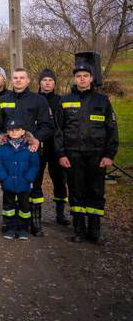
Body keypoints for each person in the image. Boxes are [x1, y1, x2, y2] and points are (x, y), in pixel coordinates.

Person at [56, 64, 118, 244]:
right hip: (72, 154)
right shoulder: (65, 100)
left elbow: (112, 129)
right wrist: (61, 154)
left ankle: (95, 231)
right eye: (78, 76)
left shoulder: (102, 100)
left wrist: (109, 154)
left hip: (97, 156)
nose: (82, 78)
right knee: (75, 190)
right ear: (75, 79)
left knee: (96, 191)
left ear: (91, 78)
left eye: (85, 75)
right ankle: (79, 230)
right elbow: (58, 130)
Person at [0, 68, 53, 237]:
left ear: (28, 80)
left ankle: (34, 222)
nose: (18, 80)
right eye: (15, 78)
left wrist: (36, 140)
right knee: (9, 188)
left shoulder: (38, 100)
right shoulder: (3, 100)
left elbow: (46, 125)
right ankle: (9, 224)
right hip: (8, 152)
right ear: (11, 80)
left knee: (33, 186)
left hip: (30, 152)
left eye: (22, 78)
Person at [0, 119, 39, 240]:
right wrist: (3, 178)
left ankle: (24, 229)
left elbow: (34, 165)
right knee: (8, 208)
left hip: (24, 184)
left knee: (24, 208)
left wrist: (28, 178)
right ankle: (10, 228)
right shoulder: (2, 148)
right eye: (11, 130)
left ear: (23, 132)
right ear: (7, 132)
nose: (14, 132)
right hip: (8, 183)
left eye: (17, 130)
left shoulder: (30, 148)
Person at [37, 68, 69, 226]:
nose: (47, 83)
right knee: (35, 179)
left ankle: (60, 212)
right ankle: (34, 212)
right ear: (40, 82)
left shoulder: (61, 100)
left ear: (54, 83)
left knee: (59, 180)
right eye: (44, 80)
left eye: (50, 80)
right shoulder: (34, 99)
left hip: (56, 147)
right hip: (38, 146)